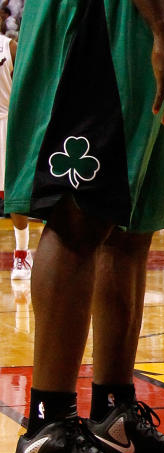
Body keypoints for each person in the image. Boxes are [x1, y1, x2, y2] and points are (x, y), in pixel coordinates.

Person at [5, 0, 164, 453]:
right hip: (101, 15)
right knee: (77, 216)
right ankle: (47, 435)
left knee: (128, 227)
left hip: (138, 18)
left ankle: (114, 421)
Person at [0, 33, 28, 280]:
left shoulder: (9, 46)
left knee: (12, 195)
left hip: (6, 125)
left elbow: (28, 85)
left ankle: (21, 256)